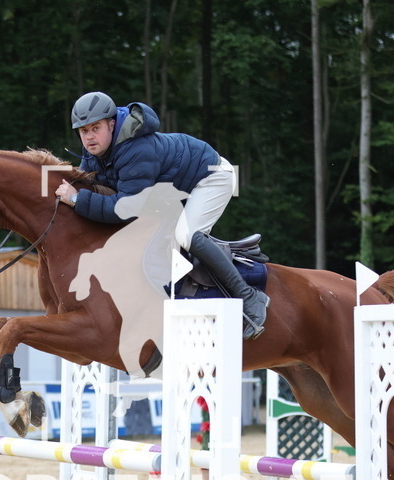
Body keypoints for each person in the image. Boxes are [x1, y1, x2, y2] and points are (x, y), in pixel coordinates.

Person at [54, 91, 269, 340]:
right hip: (172, 193)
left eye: (95, 128)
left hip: (211, 177)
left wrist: (78, 199)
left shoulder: (136, 149)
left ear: (111, 124)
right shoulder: (94, 154)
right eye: (83, 131)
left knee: (187, 235)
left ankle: (251, 298)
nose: (89, 137)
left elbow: (126, 209)